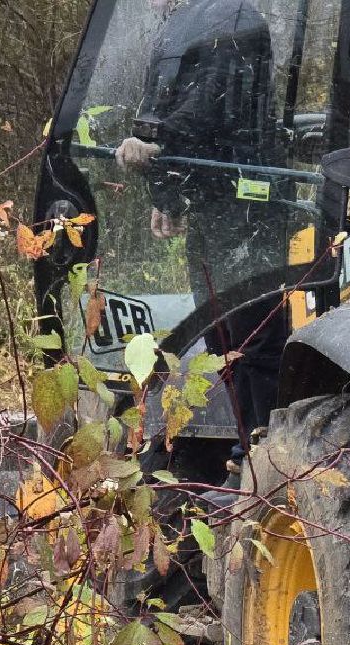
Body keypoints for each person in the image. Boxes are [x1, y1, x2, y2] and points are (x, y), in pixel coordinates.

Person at [115, 0, 288, 473]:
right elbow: (167, 115)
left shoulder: (229, 19)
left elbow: (206, 113)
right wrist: (164, 190)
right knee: (219, 335)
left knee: (253, 336)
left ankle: (262, 453)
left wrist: (159, 156)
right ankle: (245, 445)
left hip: (248, 207)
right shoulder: (183, 26)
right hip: (213, 202)